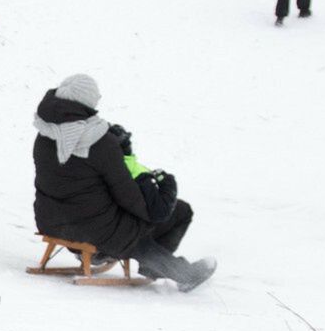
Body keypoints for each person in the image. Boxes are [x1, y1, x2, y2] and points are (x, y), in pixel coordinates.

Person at [32, 75, 214, 291]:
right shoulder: (100, 141)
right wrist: (155, 206)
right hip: (95, 229)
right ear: (86, 101)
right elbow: (128, 195)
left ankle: (105, 254)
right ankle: (182, 274)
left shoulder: (44, 134)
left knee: (128, 227)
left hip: (50, 220)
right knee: (170, 217)